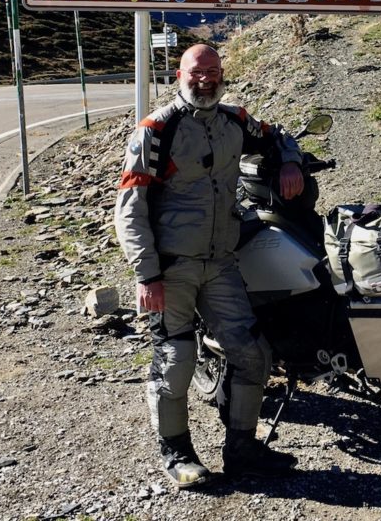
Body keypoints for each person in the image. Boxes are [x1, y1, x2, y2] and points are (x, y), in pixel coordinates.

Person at [114, 44, 305, 488]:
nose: (206, 79)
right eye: (197, 72)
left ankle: (242, 449)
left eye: (214, 71)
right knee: (176, 358)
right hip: (172, 267)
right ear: (180, 74)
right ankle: (178, 454)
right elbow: (130, 208)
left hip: (220, 263)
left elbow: (279, 137)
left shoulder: (235, 120)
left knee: (252, 353)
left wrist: (290, 162)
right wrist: (146, 275)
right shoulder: (156, 131)